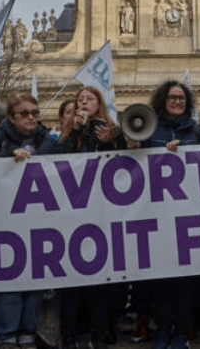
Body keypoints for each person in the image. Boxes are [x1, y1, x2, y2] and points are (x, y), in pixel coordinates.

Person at [41, 87, 126, 349]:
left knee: (102, 281)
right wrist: (75, 130)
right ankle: (69, 335)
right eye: (80, 100)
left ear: (99, 104)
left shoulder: (113, 131)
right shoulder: (69, 133)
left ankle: (99, 334)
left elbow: (125, 165)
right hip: (74, 217)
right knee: (72, 282)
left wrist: (110, 141)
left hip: (103, 214)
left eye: (90, 99)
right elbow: (59, 163)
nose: (84, 103)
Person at [0, 93, 50, 349]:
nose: (31, 117)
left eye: (35, 113)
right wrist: (7, 162)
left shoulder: (45, 138)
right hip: (6, 222)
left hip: (39, 221)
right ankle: (6, 336)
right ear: (11, 117)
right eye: (24, 113)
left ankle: (28, 333)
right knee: (11, 280)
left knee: (35, 281)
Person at [142, 81, 200, 349]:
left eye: (182, 98)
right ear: (163, 99)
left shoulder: (197, 131)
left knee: (184, 280)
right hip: (156, 213)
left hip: (187, 212)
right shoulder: (148, 127)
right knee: (161, 278)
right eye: (172, 97)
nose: (177, 101)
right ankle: (162, 330)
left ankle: (181, 332)